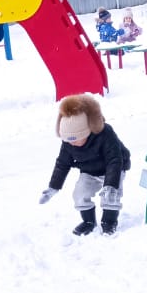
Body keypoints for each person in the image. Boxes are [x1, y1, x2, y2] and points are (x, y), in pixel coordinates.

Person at [39, 94, 130, 236]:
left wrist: (111, 185)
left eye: (75, 140)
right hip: (89, 171)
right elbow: (62, 164)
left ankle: (109, 221)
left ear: (87, 132)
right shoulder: (69, 142)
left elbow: (114, 160)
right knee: (79, 194)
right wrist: (53, 187)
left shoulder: (105, 134)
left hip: (113, 169)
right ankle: (88, 221)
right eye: (67, 140)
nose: (71, 144)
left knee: (111, 196)